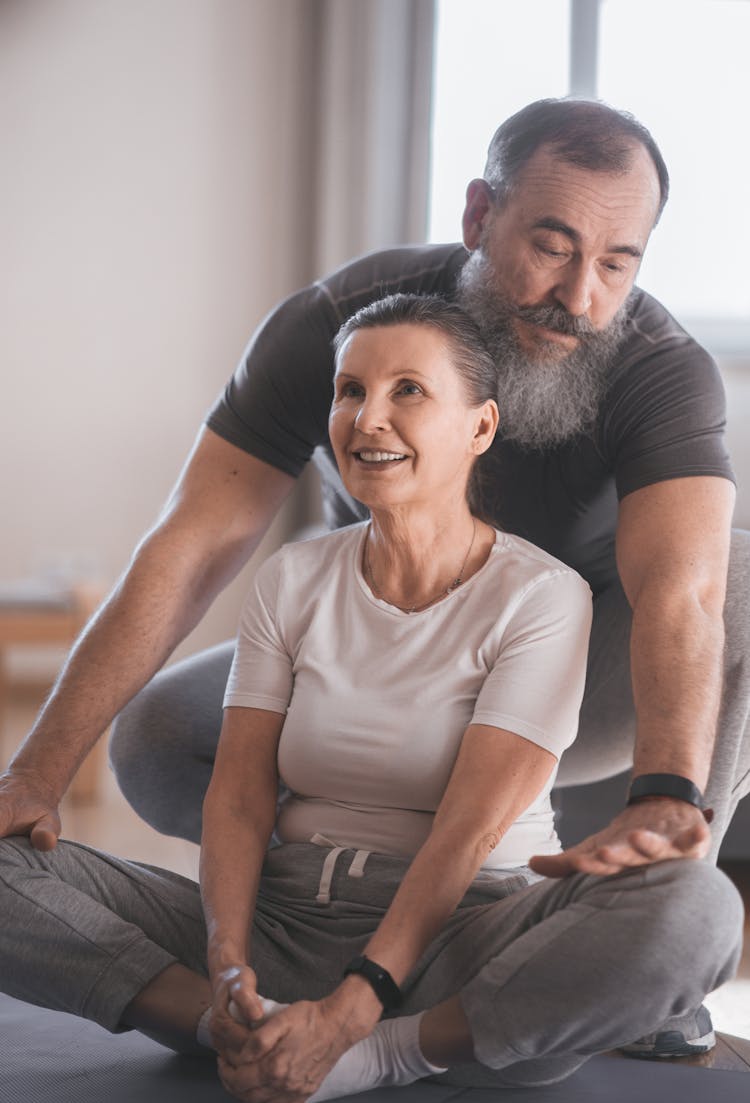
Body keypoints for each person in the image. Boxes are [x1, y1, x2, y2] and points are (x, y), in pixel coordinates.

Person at [1, 98, 747, 1060]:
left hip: (582, 670)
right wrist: (37, 772)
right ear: (479, 216)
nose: (580, 296)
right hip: (374, 661)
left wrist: (668, 789)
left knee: (736, 577)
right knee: (159, 735)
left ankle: (651, 948)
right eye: (552, 246)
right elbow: (189, 544)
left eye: (617, 262)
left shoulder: (657, 370)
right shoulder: (339, 326)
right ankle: (290, 958)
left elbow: (684, 595)